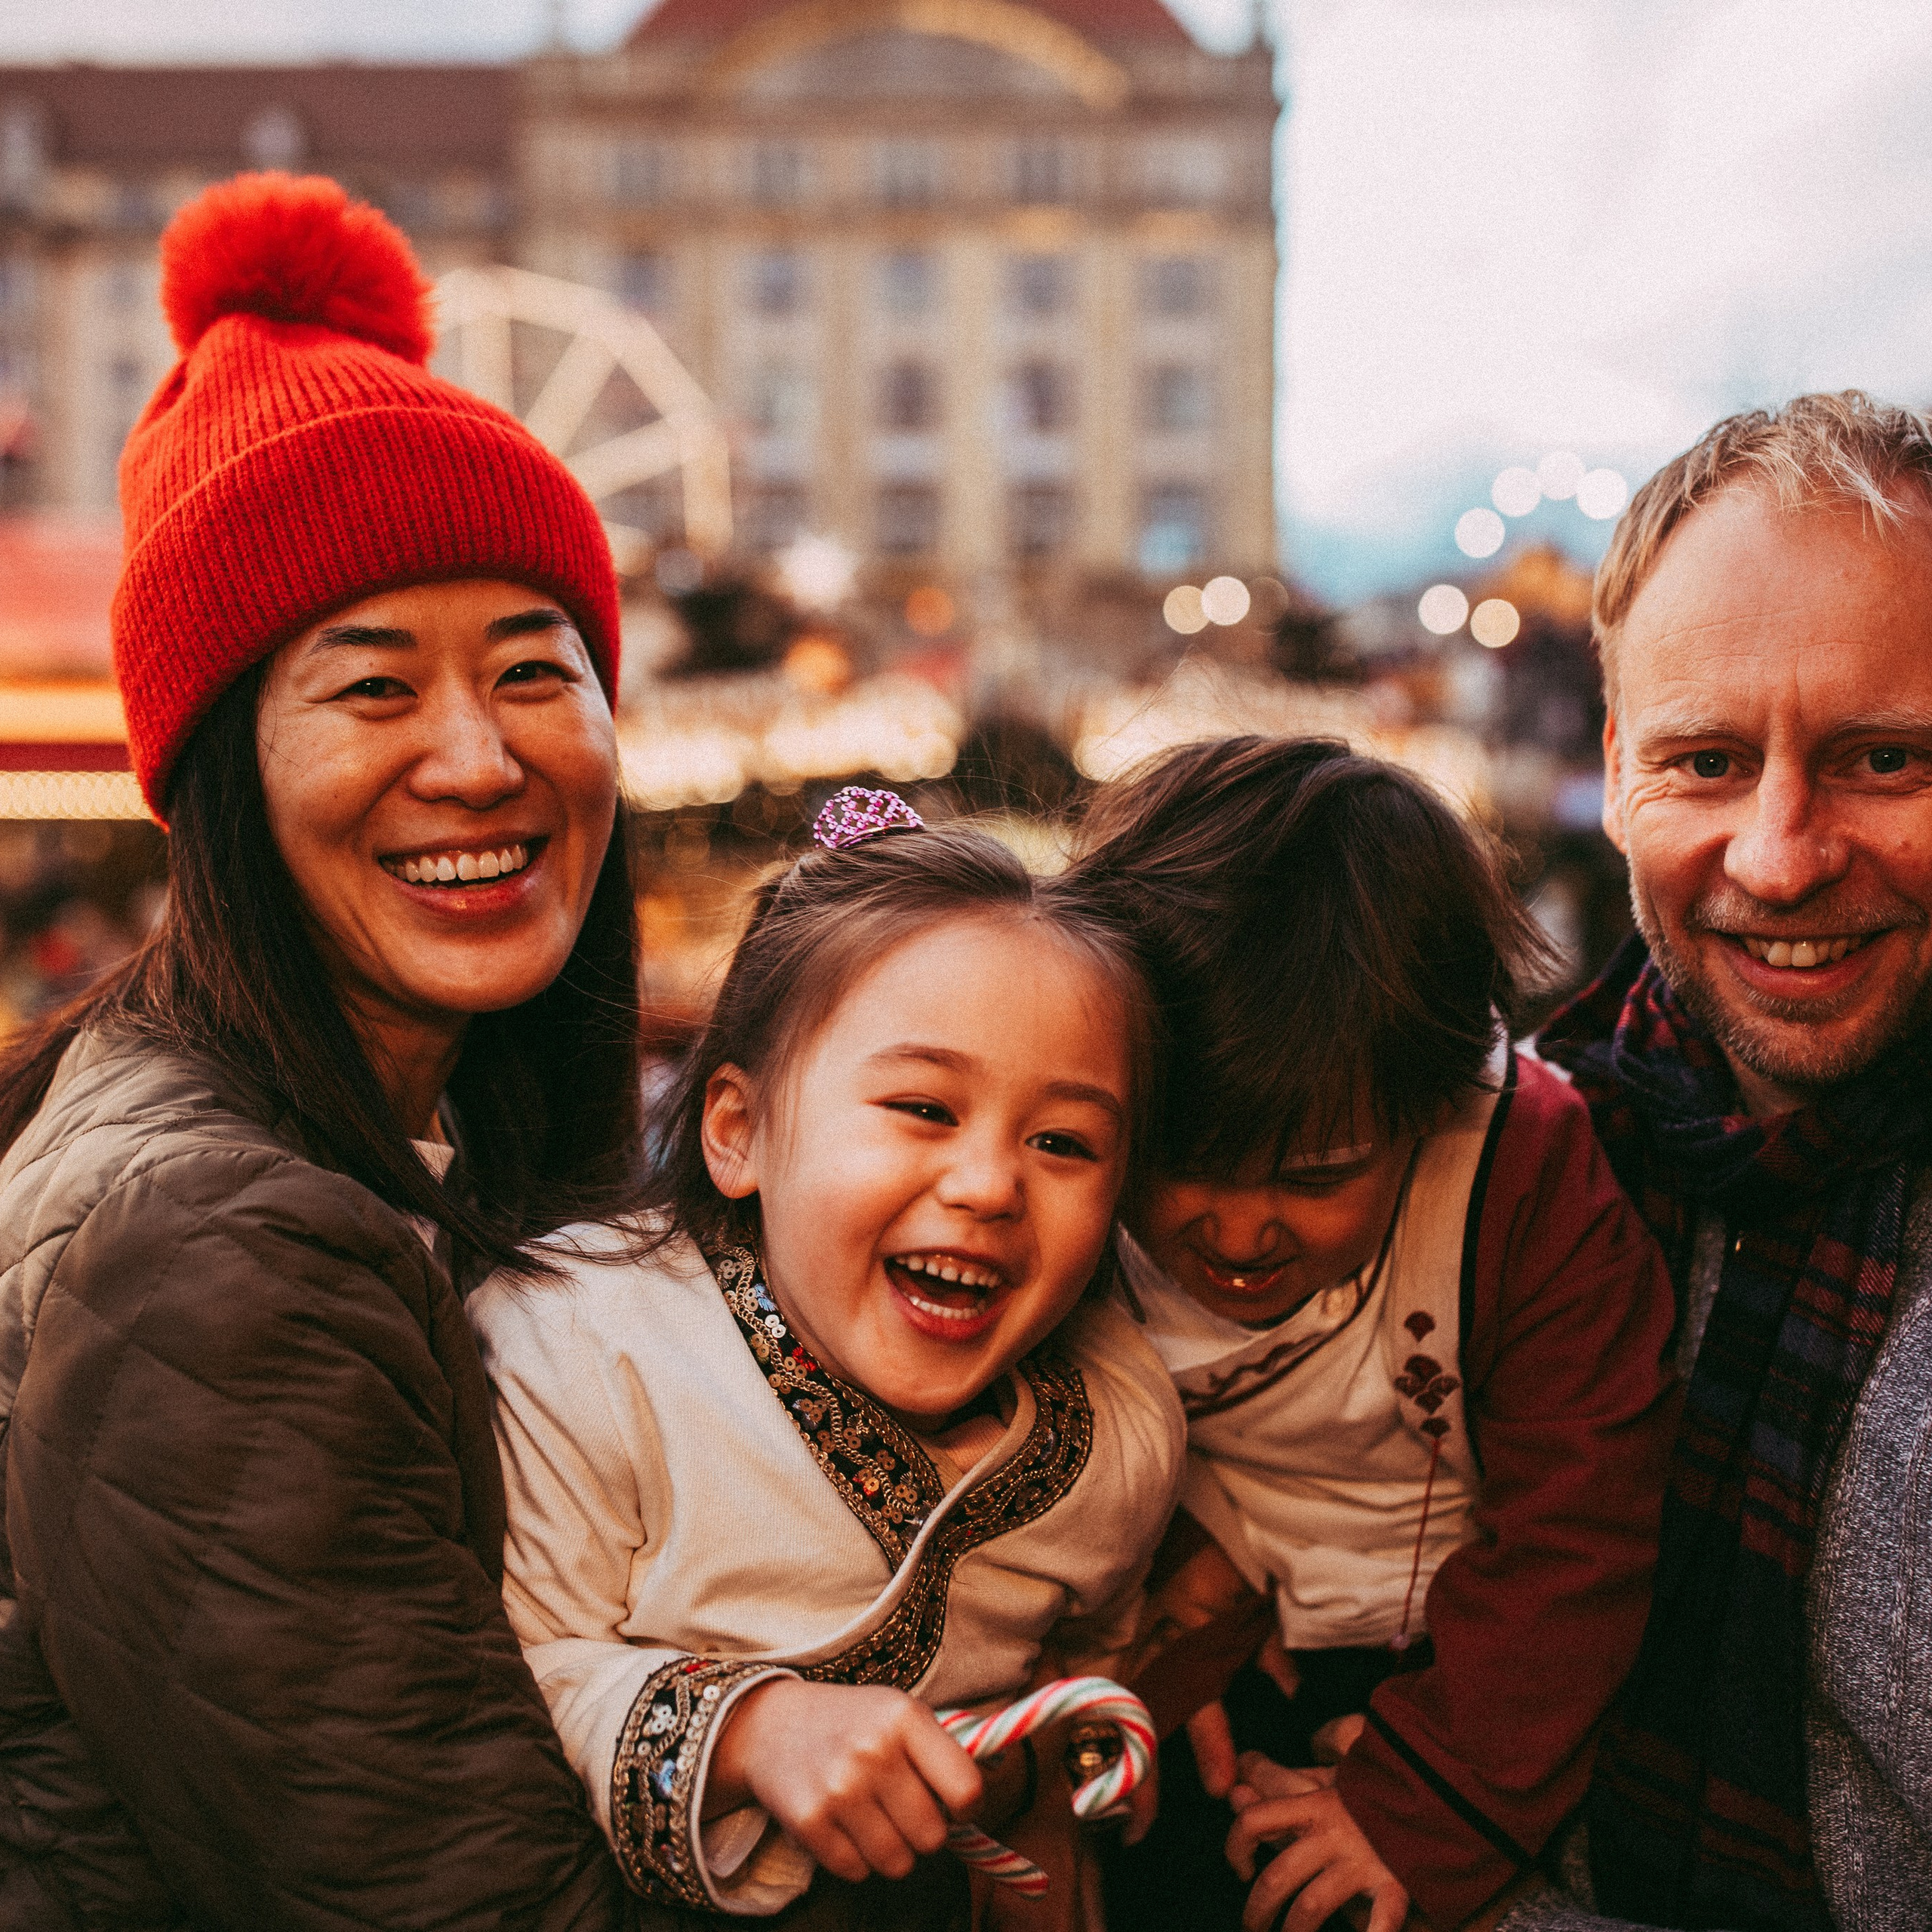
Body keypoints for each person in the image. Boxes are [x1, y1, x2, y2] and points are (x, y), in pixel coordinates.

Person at [0, 172, 667, 1925]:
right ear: (222, 769)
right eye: (372, 687)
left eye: (533, 671)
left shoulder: (389, 1133)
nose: (476, 759)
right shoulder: (221, 1247)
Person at [469, 788, 1186, 1927]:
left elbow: (1092, 1656)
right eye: (924, 1108)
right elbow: (497, 1685)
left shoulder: (1122, 1419)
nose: (991, 1185)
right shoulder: (584, 1344)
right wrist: (751, 1733)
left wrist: (1054, 1775)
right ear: (739, 1131)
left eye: (1064, 1141)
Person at [1066, 738, 1679, 1932]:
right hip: (1203, 1621)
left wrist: (1425, 1799)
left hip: (1475, 1659)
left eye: (1316, 1176)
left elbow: (1585, 1522)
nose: (1238, 1230)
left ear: (1430, 1101)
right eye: (1185, 1164)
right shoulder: (1069, 1144)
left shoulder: (1521, 1173)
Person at [1507, 391, 1932, 1932]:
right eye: (1704, 761)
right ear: (1618, 769)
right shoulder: (1484, 1176)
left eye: (1882, 757)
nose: (1778, 855)